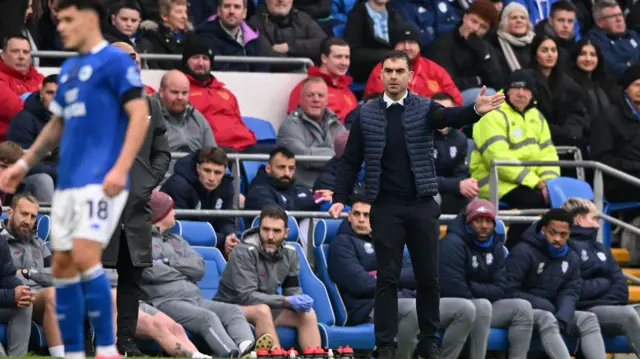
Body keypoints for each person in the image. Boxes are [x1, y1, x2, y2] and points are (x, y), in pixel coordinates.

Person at [329, 50, 505, 359]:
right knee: (387, 277)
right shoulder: (366, 114)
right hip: (385, 206)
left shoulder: (424, 107)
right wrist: (339, 198)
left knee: (428, 276)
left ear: (411, 76)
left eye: (400, 70)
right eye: (388, 70)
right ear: (381, 75)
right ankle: (384, 344)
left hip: (422, 204)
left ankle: (428, 340)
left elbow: (449, 117)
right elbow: (350, 160)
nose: (394, 75)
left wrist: (474, 111)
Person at [0, 1, 150, 359]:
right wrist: (24, 163)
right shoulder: (69, 70)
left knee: (83, 258)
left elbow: (138, 112)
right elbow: (55, 127)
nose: (61, 27)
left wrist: (120, 166)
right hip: (71, 179)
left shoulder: (116, 63)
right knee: (66, 266)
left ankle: (107, 347)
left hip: (101, 182)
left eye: (69, 20)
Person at [328, 195, 480, 359]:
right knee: (413, 310)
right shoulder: (341, 244)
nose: (361, 220)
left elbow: (415, 273)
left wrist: (383, 277)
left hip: (402, 299)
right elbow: (360, 283)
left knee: (464, 309)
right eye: (356, 214)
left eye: (367, 215)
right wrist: (396, 283)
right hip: (368, 307)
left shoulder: (389, 239)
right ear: (349, 216)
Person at [103, 40, 172, 357]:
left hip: (136, 208)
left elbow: (162, 153)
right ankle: (92, 339)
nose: (132, 60)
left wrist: (148, 182)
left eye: (134, 56)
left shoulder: (151, 105)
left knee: (131, 280)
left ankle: (126, 342)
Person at [140, 191, 260, 357]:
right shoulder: (140, 240)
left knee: (233, 311)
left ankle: (247, 349)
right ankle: (233, 355)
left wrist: (169, 263)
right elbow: (150, 272)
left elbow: (199, 268)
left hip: (195, 299)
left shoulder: (177, 240)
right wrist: (183, 272)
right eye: (171, 209)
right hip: (165, 301)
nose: (174, 213)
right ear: (160, 213)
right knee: (207, 318)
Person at [470, 70, 559, 246]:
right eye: (516, 88)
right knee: (535, 201)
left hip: (528, 182)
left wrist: (549, 183)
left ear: (532, 93)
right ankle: (511, 247)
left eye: (526, 89)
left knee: (557, 200)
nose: (521, 93)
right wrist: (537, 183)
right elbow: (497, 157)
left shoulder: (537, 116)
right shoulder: (492, 113)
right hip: (493, 179)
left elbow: (548, 153)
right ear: (506, 91)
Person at [215, 205, 322, 353]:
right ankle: (276, 355)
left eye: (276, 231)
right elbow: (248, 297)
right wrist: (285, 301)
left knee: (308, 314)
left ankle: (315, 356)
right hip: (230, 307)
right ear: (259, 228)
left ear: (286, 233)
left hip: (264, 306)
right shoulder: (242, 252)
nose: (270, 236)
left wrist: (298, 300)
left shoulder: (290, 254)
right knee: (262, 310)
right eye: (265, 229)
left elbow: (291, 290)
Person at [504, 208, 607, 359]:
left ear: (569, 234)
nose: (557, 238)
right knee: (547, 317)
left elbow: (571, 290)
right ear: (544, 230)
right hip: (527, 312)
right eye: (552, 233)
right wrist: (545, 306)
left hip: (555, 311)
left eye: (563, 234)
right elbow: (508, 290)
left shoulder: (571, 256)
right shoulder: (523, 252)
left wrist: (563, 316)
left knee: (588, 319)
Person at [439, 199, 534, 359]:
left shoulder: (496, 244)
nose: (484, 225)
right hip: (452, 306)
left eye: (489, 221)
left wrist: (475, 287)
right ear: (468, 222)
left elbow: (502, 287)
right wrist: (483, 292)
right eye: (478, 220)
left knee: (522, 308)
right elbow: (453, 288)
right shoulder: (452, 243)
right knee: (482, 306)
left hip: (484, 304)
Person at [562, 197, 640, 357]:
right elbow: (576, 291)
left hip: (612, 307)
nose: (598, 224)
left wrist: (604, 294)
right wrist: (605, 283)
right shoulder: (565, 248)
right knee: (628, 315)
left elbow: (621, 288)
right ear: (579, 219)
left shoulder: (603, 249)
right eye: (594, 218)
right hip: (585, 312)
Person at [3, 192, 61, 357]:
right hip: (8, 298)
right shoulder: (1, 241)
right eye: (24, 214)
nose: (28, 221)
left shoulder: (39, 243)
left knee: (55, 292)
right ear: (10, 212)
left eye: (33, 216)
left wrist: (30, 273)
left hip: (37, 298)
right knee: (51, 294)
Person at [161, 147, 238, 255]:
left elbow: (226, 219)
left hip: (212, 240)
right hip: (173, 244)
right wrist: (222, 240)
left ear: (224, 172)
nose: (212, 178)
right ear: (198, 168)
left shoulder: (226, 184)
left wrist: (230, 236)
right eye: (207, 170)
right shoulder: (179, 185)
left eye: (217, 173)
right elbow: (182, 227)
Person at [277, 77, 347, 188]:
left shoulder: (336, 124)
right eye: (310, 95)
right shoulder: (290, 125)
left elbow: (351, 154)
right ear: (301, 99)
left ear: (327, 100)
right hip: (303, 189)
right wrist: (338, 154)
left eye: (321, 95)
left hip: (335, 188)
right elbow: (306, 157)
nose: (316, 99)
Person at [154, 70, 216, 153]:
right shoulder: (148, 115)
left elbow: (212, 153)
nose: (180, 97)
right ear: (161, 92)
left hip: (195, 165)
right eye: (174, 92)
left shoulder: (197, 117)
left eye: (184, 93)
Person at [0, 34, 45, 140]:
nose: (21, 56)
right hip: (7, 146)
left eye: (25, 52)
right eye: (15, 51)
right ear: (2, 55)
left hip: (40, 143)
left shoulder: (39, 78)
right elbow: (18, 111)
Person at [0, 230, 32, 357]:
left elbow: (6, 275)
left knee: (24, 304)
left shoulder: (1, 241)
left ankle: (17, 356)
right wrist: (11, 295)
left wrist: (19, 288)